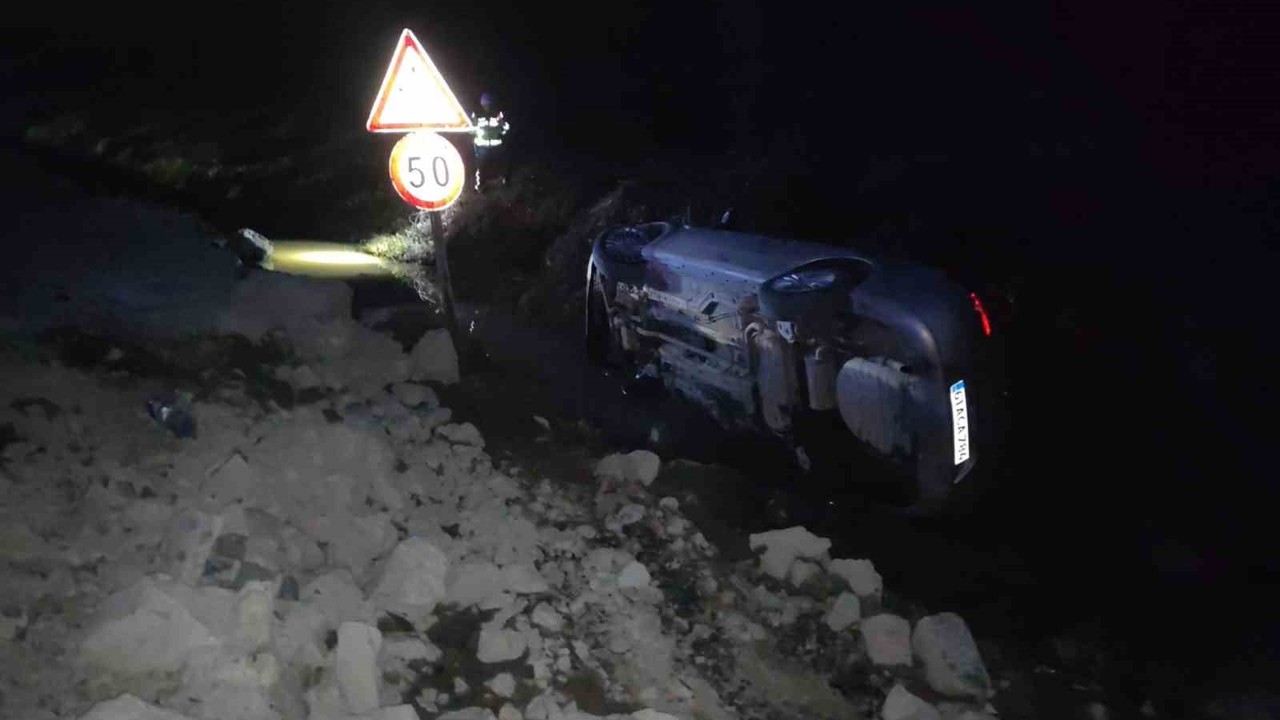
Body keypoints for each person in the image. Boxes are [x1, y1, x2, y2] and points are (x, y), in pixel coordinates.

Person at [470, 92, 510, 192]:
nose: (487, 106)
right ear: (481, 104)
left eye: (489, 104)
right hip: (481, 145)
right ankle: (480, 186)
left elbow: (505, 127)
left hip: (496, 145)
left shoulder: (498, 114)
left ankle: (501, 183)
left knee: (499, 165)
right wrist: (474, 132)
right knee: (480, 167)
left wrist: (503, 129)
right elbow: (471, 128)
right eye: (485, 104)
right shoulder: (476, 114)